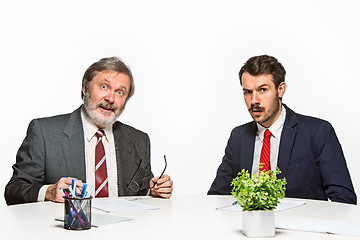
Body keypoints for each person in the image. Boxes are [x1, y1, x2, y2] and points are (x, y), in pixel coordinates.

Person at [5, 57, 173, 205]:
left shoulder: (138, 140)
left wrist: (155, 191)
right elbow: (14, 190)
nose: (110, 99)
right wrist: (48, 192)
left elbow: (141, 193)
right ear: (85, 88)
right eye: (104, 87)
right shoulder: (44, 132)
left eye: (120, 92)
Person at [208, 55, 356, 204]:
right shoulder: (238, 136)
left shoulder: (317, 132)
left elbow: (344, 200)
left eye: (263, 90)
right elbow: (217, 197)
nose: (254, 101)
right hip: (250, 225)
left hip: (300, 225)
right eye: (248, 92)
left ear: (281, 89)